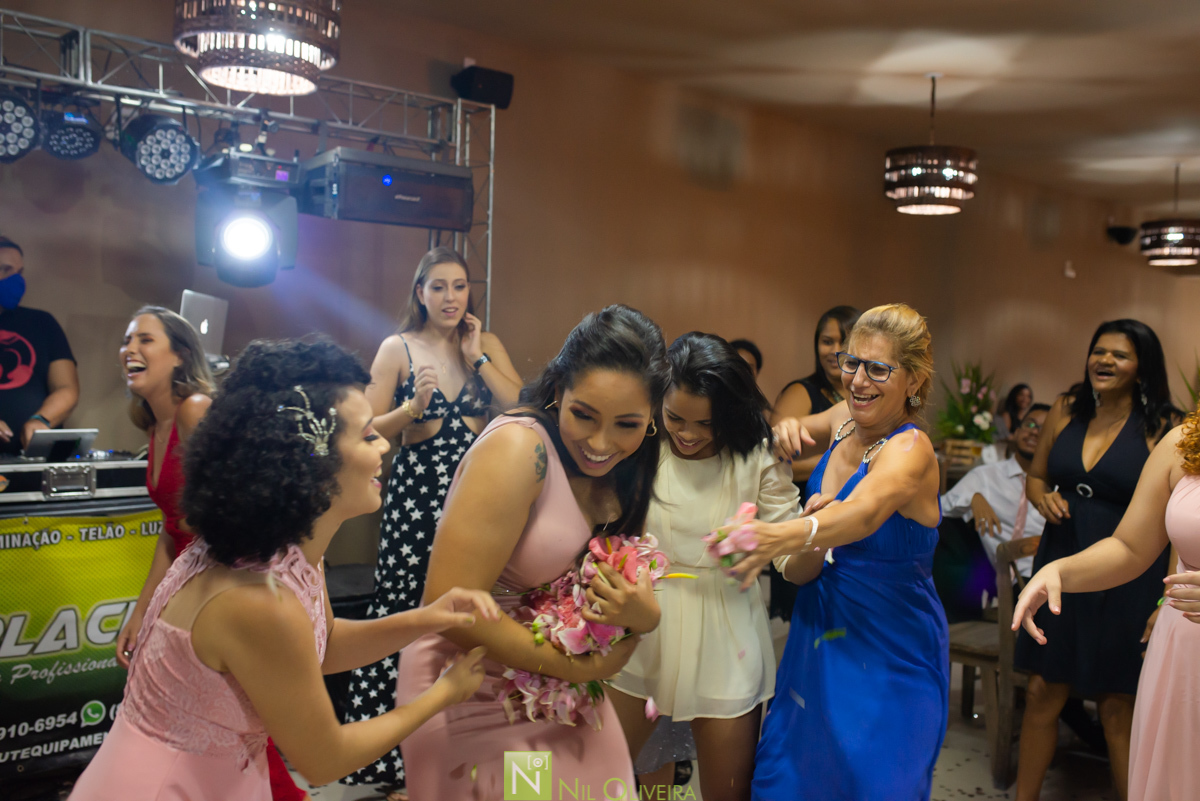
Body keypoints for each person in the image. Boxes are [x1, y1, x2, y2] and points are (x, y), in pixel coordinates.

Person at [69, 338, 496, 801]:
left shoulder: (287, 550)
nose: (383, 448)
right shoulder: (256, 600)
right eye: (368, 435)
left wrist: (429, 617)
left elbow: (321, 646)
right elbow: (324, 759)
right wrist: (442, 694)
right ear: (314, 462)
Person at [396, 305, 668, 800]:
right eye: (583, 415)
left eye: (626, 424)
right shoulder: (521, 450)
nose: (601, 443)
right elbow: (449, 606)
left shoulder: (636, 466)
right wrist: (584, 669)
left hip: (552, 687)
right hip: (468, 680)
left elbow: (606, 585)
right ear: (558, 389)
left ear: (651, 418)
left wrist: (643, 617)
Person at [723, 303, 948, 801]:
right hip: (820, 631)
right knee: (790, 779)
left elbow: (862, 514)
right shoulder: (846, 418)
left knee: (869, 781)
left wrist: (775, 536)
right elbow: (799, 428)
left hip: (890, 643)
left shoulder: (911, 451)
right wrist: (786, 427)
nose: (858, 381)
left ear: (913, 380)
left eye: (878, 369)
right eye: (852, 363)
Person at [343, 247, 522, 795]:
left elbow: (521, 407)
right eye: (438, 286)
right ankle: (395, 764)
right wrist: (412, 409)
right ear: (419, 292)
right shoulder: (396, 348)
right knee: (408, 613)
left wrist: (479, 358)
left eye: (460, 286)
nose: (450, 297)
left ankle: (468, 749)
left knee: (475, 613)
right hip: (417, 504)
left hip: (481, 502)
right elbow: (366, 429)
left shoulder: (485, 345)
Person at [112, 307, 306, 801]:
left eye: (145, 340)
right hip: (184, 583)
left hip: (218, 585)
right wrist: (141, 612)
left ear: (179, 354)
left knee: (234, 721)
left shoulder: (196, 409)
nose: (130, 349)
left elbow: (234, 509)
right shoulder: (154, 430)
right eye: (127, 340)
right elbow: (169, 530)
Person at [610, 332, 798, 801]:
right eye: (675, 417)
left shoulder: (756, 455)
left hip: (725, 630)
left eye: (705, 423)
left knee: (728, 789)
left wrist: (815, 526)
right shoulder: (641, 443)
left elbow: (793, 561)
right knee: (603, 776)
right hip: (642, 621)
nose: (688, 434)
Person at [1012, 319, 1178, 801]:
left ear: (1143, 367)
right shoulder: (1065, 408)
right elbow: (1037, 476)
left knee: (1116, 706)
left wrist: (1163, 597)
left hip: (1128, 573)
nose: (1104, 361)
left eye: (1119, 355)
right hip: (1061, 560)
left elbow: (1174, 520)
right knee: (1043, 691)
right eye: (1098, 351)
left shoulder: (1164, 426)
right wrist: (1042, 497)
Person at [767, 306, 859, 622]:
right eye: (826, 341)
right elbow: (771, 453)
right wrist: (839, 461)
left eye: (843, 341)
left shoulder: (867, 395)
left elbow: (914, 402)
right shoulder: (805, 392)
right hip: (809, 518)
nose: (834, 351)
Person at [941, 403, 1051, 578]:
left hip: (1041, 580)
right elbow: (940, 508)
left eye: (1044, 429)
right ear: (1016, 431)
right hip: (993, 579)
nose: (1034, 432)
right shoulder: (986, 476)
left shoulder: (1057, 488)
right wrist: (973, 498)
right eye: (1029, 424)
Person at [0, 236, 79, 454]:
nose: (15, 280)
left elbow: (67, 388)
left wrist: (41, 420)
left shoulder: (42, 323)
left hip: (30, 461)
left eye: (19, 272)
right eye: (5, 270)